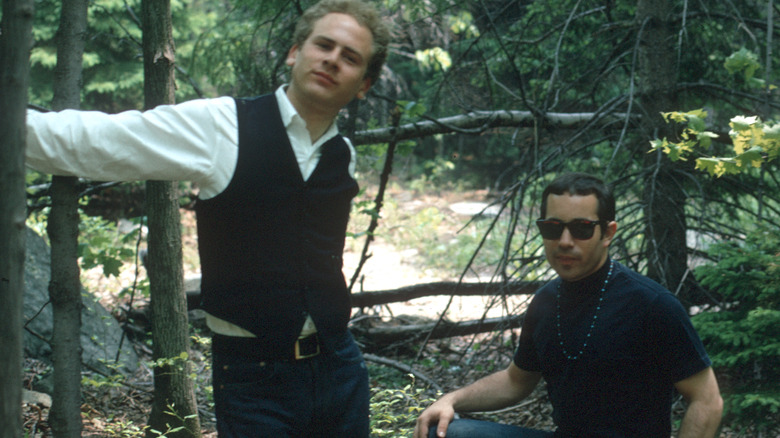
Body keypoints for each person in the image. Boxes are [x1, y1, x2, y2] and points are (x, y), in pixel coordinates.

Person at [25, 0, 391, 436]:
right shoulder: (223, 126)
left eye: (350, 57)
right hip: (253, 378)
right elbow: (99, 142)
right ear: (295, 52)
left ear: (364, 84)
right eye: (324, 45)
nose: (332, 59)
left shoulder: (341, 156)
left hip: (339, 367)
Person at [414, 173, 723, 438]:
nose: (564, 240)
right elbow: (515, 381)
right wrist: (451, 399)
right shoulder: (547, 301)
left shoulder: (651, 305)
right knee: (442, 430)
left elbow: (707, 400)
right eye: (552, 227)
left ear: (608, 233)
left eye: (581, 228)